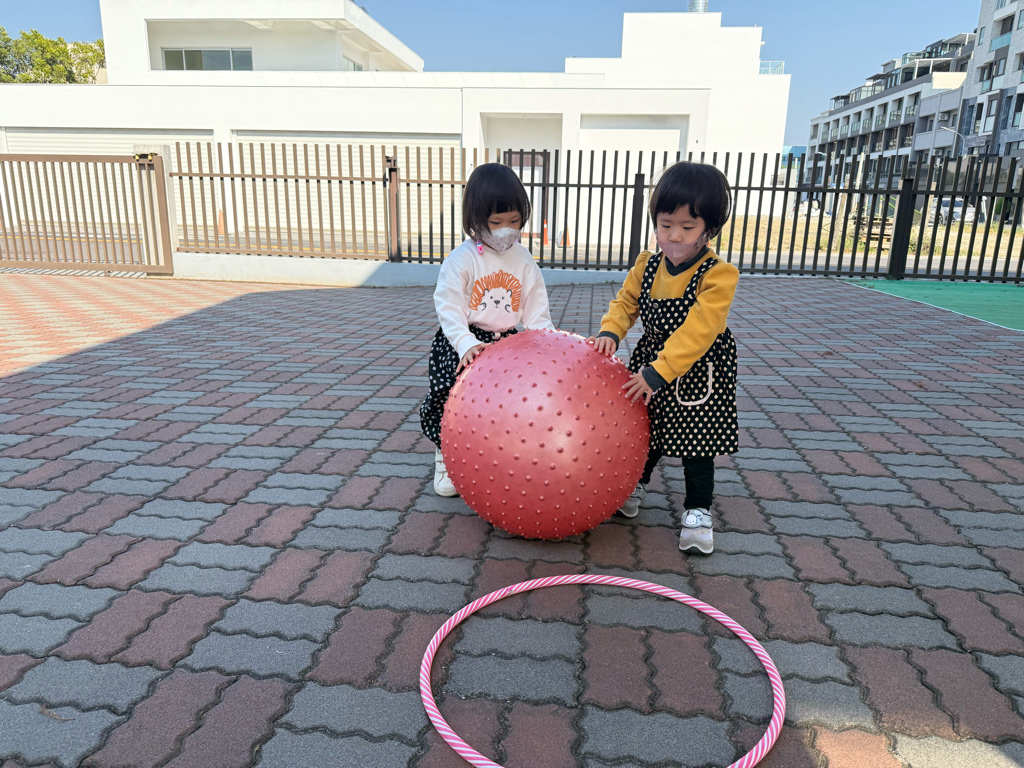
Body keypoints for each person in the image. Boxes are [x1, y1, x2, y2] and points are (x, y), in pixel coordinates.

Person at [588, 161, 739, 554]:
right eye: (665, 224)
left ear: (709, 228)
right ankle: (634, 485)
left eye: (687, 227)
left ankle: (698, 510)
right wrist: (610, 332)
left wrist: (660, 372)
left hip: (698, 369)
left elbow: (700, 330)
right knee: (645, 428)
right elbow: (625, 303)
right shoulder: (647, 265)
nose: (674, 236)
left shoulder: (717, 275)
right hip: (651, 362)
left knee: (697, 441)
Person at [420, 163, 555, 496]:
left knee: (503, 404)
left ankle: (492, 453)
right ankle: (445, 454)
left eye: (514, 221)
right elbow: (448, 305)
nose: (506, 230)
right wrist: (464, 342)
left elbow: (536, 307)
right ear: (476, 220)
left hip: (506, 344)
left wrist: (546, 345)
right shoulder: (462, 259)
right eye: (496, 223)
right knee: (449, 398)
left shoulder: (523, 259)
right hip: (465, 341)